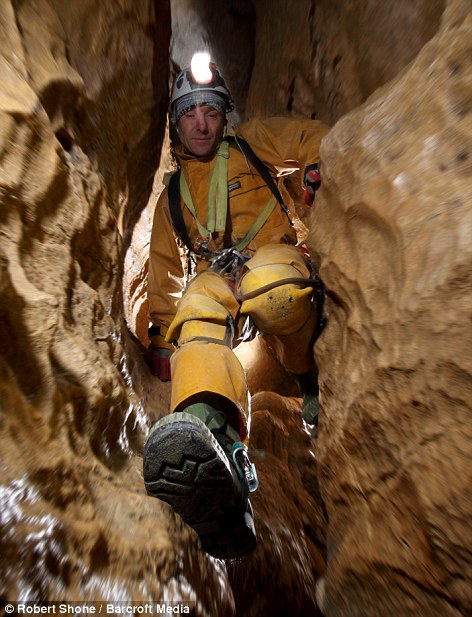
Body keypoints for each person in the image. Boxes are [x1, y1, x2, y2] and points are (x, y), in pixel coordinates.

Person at [142, 54, 330, 560]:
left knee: (276, 288)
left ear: (224, 114)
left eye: (209, 110)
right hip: (218, 272)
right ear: (175, 123)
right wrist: (162, 332)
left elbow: (308, 137)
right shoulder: (174, 195)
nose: (200, 123)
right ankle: (215, 443)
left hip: (271, 252)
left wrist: (317, 164)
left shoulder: (251, 143)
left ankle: (309, 378)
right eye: (188, 112)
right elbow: (163, 271)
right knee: (196, 312)